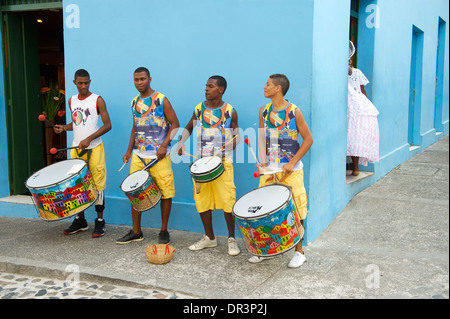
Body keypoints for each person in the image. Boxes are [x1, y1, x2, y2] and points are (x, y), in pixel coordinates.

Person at [252, 74, 313, 268]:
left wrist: (292, 162)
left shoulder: (294, 112)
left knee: (294, 208)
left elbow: (309, 139)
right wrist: (262, 162)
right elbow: (262, 139)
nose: (264, 87)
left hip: (291, 171)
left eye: (268, 85)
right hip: (270, 170)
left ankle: (299, 252)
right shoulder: (263, 111)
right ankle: (265, 249)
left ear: (278, 88)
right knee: (265, 209)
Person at [176, 75, 241, 256]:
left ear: (220, 90)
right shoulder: (199, 109)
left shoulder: (230, 111)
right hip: (201, 161)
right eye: (206, 86)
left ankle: (231, 239)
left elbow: (237, 137)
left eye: (210, 86)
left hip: (223, 162)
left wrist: (230, 145)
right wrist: (181, 142)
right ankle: (210, 238)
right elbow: (188, 127)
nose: (206, 89)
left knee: (227, 200)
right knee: (202, 200)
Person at [116, 67, 179, 245]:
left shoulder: (161, 99)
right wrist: (129, 151)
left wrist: (164, 145)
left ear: (149, 79)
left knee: (165, 193)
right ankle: (136, 231)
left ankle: (164, 230)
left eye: (142, 79)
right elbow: (135, 127)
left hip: (159, 155)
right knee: (134, 190)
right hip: (139, 155)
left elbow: (175, 124)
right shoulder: (134, 102)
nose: (139, 83)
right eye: (136, 80)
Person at [54, 69, 112, 237]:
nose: (84, 86)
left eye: (86, 82)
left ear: (90, 82)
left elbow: (107, 125)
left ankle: (100, 221)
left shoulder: (97, 100)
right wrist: (64, 127)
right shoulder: (72, 100)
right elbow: (77, 122)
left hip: (94, 149)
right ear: (74, 83)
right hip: (76, 149)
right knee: (77, 184)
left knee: (97, 184)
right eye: (80, 83)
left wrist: (89, 138)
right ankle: (81, 220)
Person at [347, 41, 379, 176]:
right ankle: (355, 168)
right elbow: (363, 91)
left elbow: (362, 90)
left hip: (353, 106)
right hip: (360, 107)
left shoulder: (352, 72)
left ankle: (355, 168)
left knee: (351, 136)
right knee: (356, 137)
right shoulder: (356, 72)